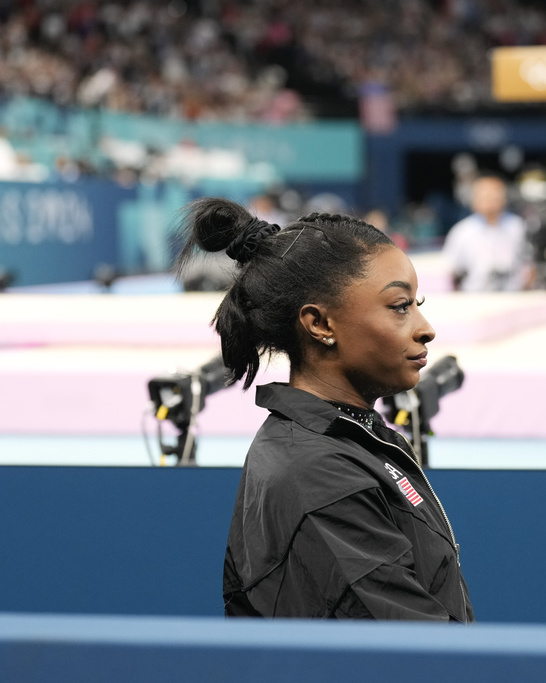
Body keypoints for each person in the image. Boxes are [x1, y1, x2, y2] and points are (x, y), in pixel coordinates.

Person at [176, 198, 474, 621]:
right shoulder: (318, 475)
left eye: (417, 305)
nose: (425, 329)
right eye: (399, 306)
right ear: (320, 324)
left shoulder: (350, 438)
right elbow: (420, 654)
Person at [443, 174, 533, 291]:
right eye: (484, 196)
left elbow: (530, 266)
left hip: (512, 297)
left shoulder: (518, 227)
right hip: (475, 298)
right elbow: (452, 271)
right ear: (474, 199)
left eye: (494, 195)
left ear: (504, 198)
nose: (489, 201)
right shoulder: (462, 231)